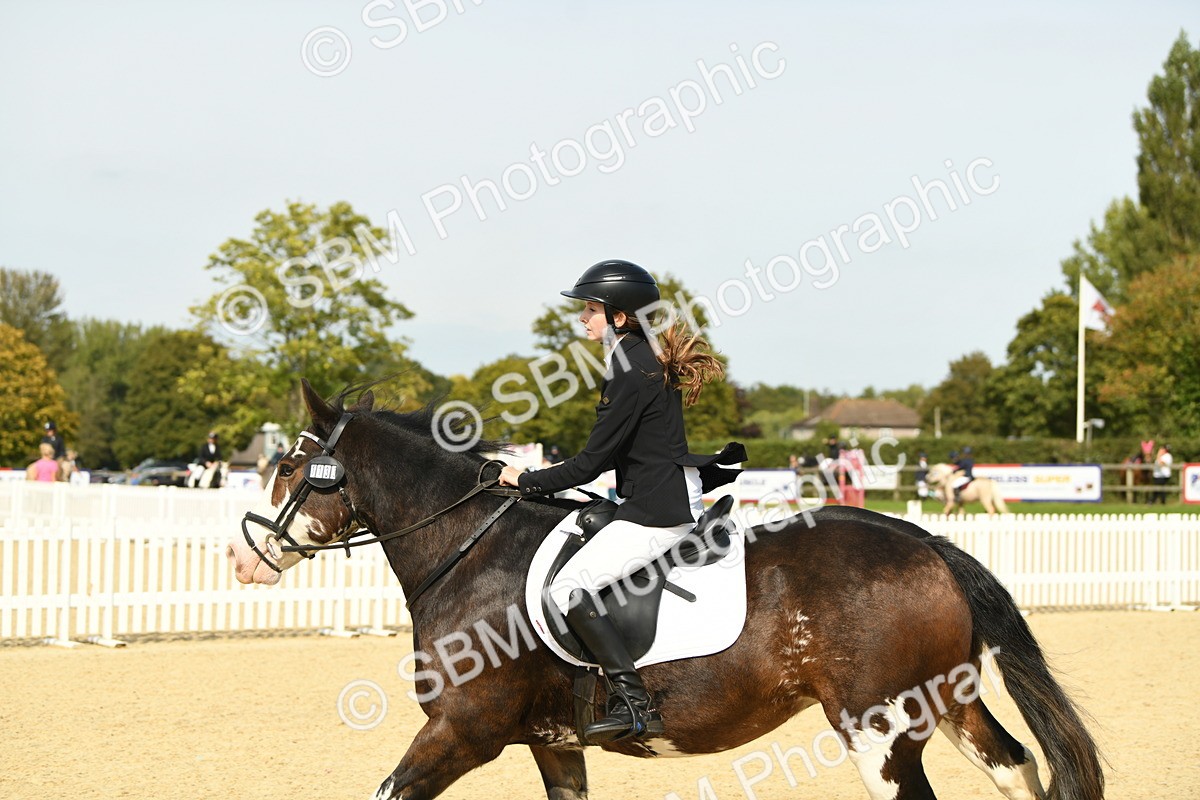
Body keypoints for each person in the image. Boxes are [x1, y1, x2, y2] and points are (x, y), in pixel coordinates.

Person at [498, 259, 744, 743]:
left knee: (569, 588)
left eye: (590, 309)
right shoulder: (639, 357)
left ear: (618, 316)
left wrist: (526, 480)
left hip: (656, 512)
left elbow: (592, 461)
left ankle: (634, 704)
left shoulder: (631, 368)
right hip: (654, 497)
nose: (582, 317)